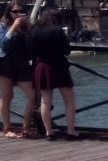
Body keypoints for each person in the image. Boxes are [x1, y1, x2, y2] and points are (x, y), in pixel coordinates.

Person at [30, 8, 77, 140]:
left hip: (42, 67)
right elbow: (66, 50)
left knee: (45, 101)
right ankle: (70, 131)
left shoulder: (34, 31)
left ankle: (49, 132)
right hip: (59, 67)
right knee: (69, 101)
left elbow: (31, 51)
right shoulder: (57, 31)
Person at [0, 1, 37, 138]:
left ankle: (26, 127)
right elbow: (2, 46)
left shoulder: (26, 27)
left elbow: (34, 44)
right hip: (5, 65)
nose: (18, 14)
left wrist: (30, 27)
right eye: (15, 11)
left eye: (21, 11)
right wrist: (12, 29)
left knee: (33, 96)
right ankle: (7, 128)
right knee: (7, 95)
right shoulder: (2, 27)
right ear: (8, 13)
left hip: (22, 65)